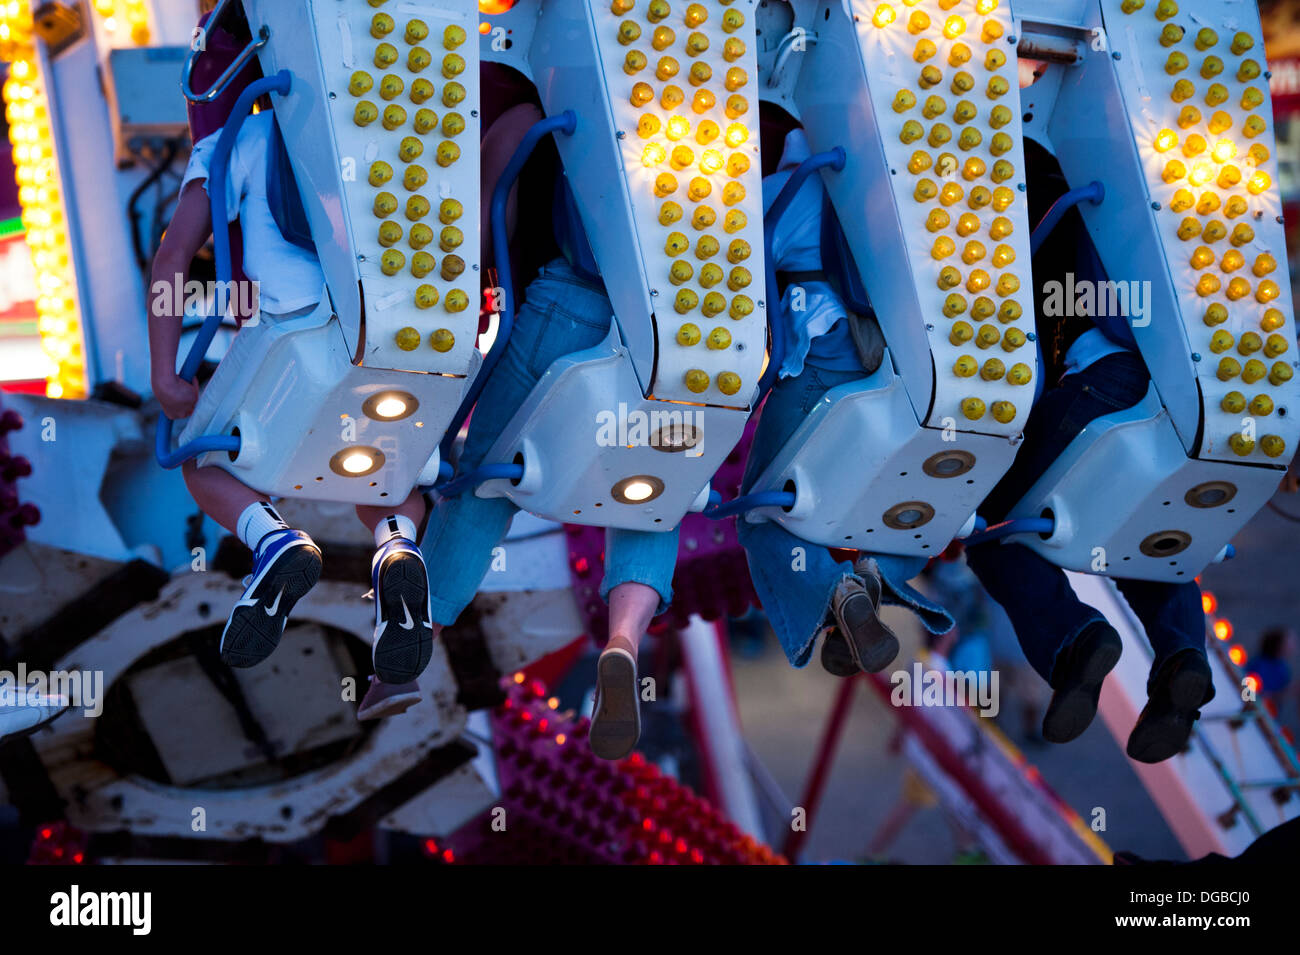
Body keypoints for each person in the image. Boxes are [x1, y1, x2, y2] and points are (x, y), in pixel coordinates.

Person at [148, 4, 434, 704]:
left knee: (199, 454)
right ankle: (395, 544)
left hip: (294, 343)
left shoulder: (240, 136)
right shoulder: (395, 123)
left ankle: (272, 539)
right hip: (393, 342)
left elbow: (172, 256)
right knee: (392, 481)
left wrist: (164, 372)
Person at [412, 64, 681, 760]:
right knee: (652, 496)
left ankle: (420, 628)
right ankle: (622, 639)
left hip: (568, 298)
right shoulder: (690, 101)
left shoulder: (516, 101)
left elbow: (485, 224)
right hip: (677, 316)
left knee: (484, 476)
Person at [963, 135, 1215, 764]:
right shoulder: (1172, 196)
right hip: (1188, 397)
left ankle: (1075, 639)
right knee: (1148, 535)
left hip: (1108, 379)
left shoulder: (1050, 189)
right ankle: (1182, 654)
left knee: (995, 524)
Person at [735, 107, 954, 678]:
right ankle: (863, 590)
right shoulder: (908, 197)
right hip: (904, 373)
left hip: (822, 361)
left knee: (761, 509)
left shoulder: (788, 189)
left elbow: (737, 272)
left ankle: (840, 594)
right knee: (883, 498)